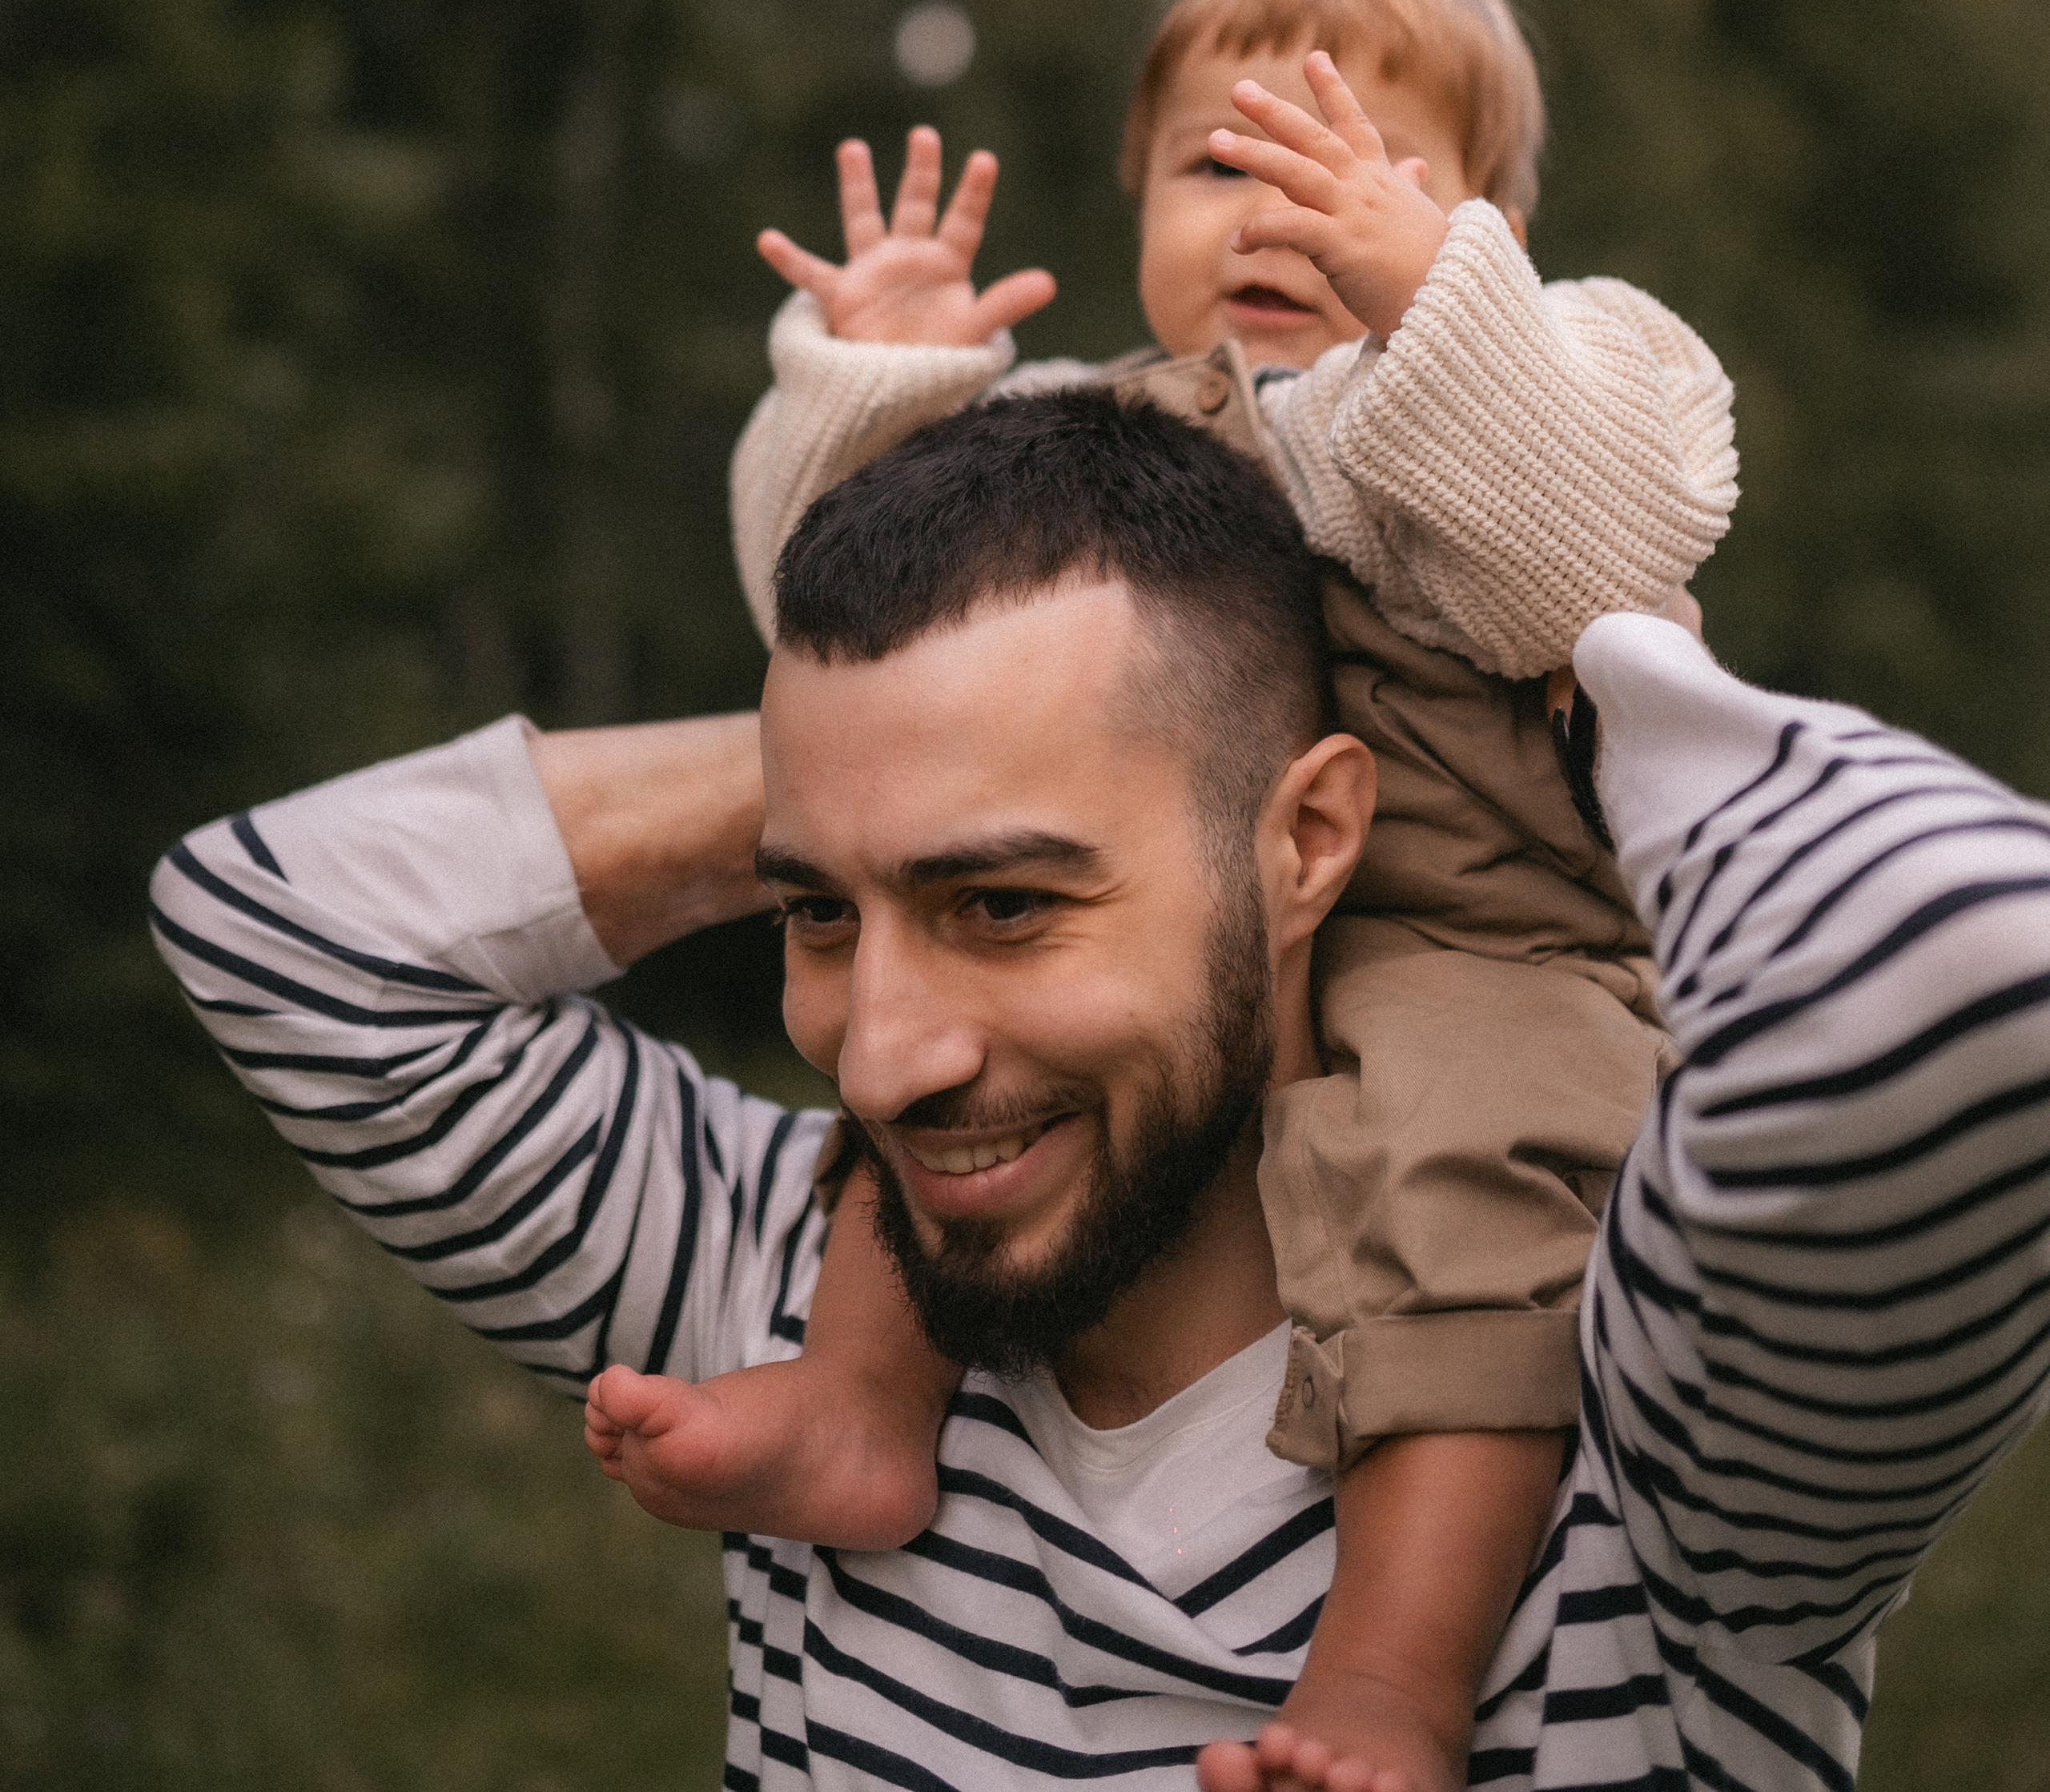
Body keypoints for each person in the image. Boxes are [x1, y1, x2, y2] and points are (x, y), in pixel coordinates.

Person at [150, 389, 2050, 1790]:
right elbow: (269, 926)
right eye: (820, 907)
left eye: (1003, 900)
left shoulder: (1656, 1413)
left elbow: (1963, 948)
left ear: (1310, 835)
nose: (882, 1055)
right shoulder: (786, 1294)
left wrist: (1554, 693)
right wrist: (886, 753)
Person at [630, 0, 1738, 1782]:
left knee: (1472, 1207)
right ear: (1132, 199)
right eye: (1222, 160)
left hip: (1487, 943)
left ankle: (1386, 1676)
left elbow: (1602, 545)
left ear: (1499, 229)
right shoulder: (1103, 425)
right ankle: (859, 1397)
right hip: (1181, 941)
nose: (1283, 206)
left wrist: (1436, 314)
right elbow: (849, 631)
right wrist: (872, 389)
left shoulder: (1557, 369)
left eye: (1372, 165)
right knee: (935, 1051)